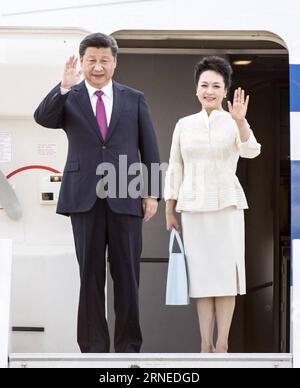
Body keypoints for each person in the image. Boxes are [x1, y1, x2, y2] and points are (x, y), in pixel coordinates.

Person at [34, 33, 161, 353]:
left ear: (115, 63)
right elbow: (43, 118)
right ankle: (92, 348)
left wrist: (153, 194)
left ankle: (129, 347)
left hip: (126, 193)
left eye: (105, 60)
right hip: (84, 198)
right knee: (89, 276)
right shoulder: (70, 97)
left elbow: (151, 148)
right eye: (91, 60)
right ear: (81, 61)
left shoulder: (135, 98)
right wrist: (63, 86)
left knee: (127, 277)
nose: (98, 67)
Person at [164, 56, 261, 353]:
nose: (210, 90)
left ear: (225, 90)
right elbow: (175, 167)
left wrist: (241, 121)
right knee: (203, 280)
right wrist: (169, 207)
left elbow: (252, 150)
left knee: (225, 278)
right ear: (196, 90)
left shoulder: (234, 122)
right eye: (204, 85)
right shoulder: (184, 124)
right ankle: (204, 344)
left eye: (216, 86)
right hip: (192, 208)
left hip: (227, 207)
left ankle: (222, 344)